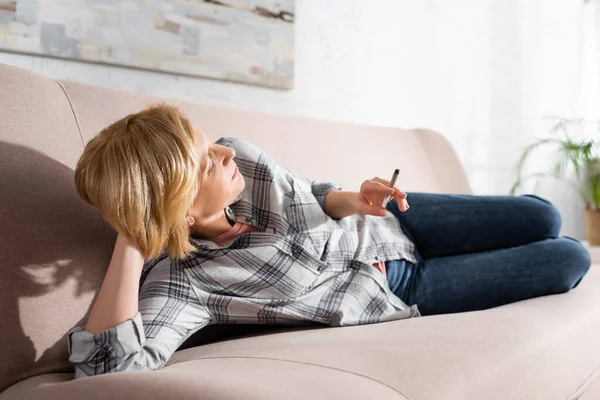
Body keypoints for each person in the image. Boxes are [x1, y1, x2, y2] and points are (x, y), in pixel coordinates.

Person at [66, 104, 591, 379]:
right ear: (172, 201)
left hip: (396, 221)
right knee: (567, 256)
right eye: (206, 161)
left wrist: (354, 198)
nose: (223, 155)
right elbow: (108, 373)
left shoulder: (243, 158)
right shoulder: (184, 284)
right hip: (400, 290)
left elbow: (311, 197)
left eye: (210, 145)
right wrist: (133, 240)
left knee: (542, 215)